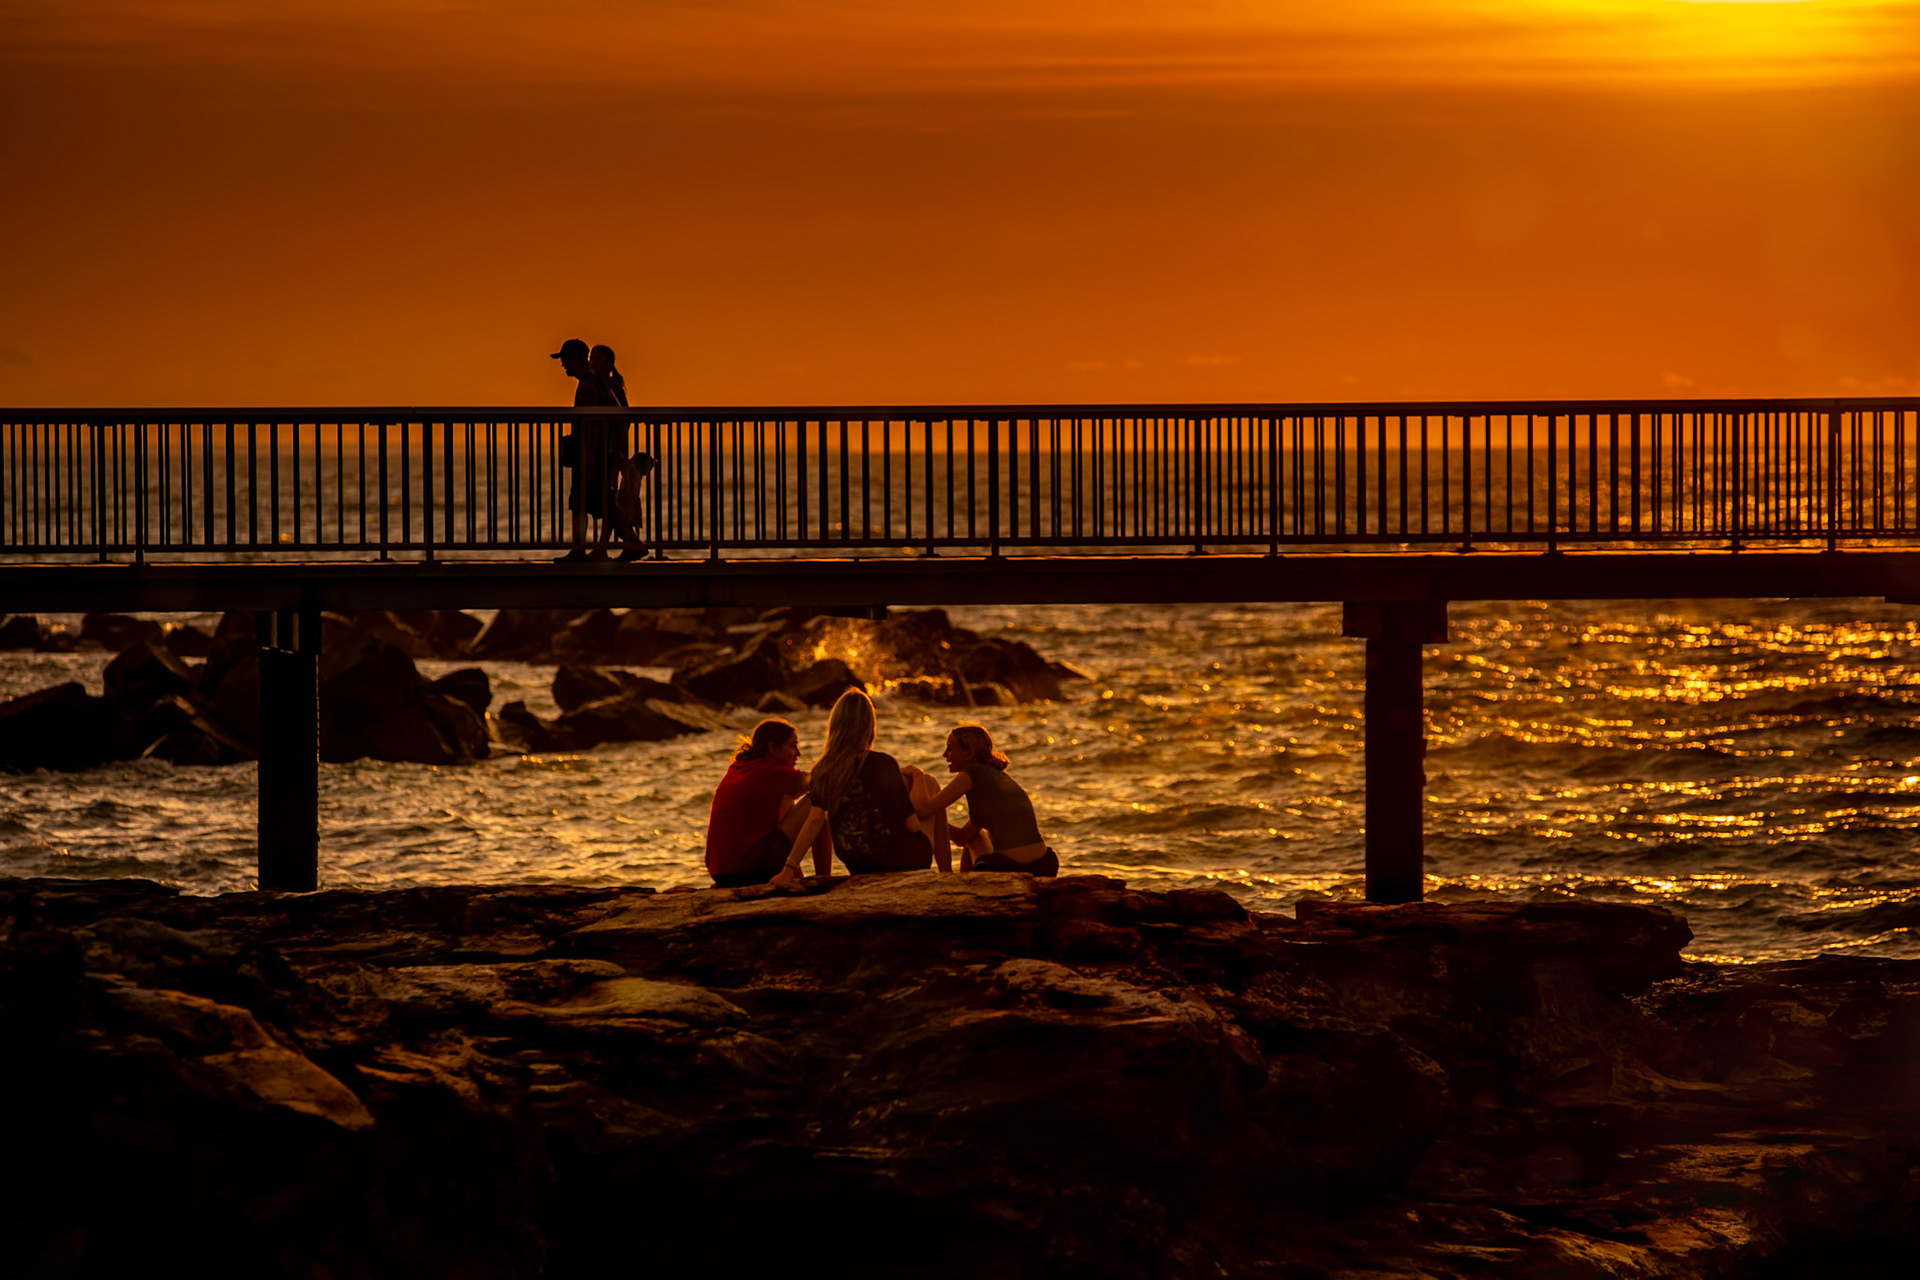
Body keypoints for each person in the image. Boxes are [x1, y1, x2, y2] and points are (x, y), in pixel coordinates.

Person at [769, 689, 948, 890]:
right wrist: (917, 778)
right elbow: (912, 825)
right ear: (868, 725)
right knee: (930, 784)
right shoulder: (883, 763)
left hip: (858, 863)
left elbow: (814, 821)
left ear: (835, 726)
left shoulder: (823, 770)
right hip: (903, 862)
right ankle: (947, 876)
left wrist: (788, 869)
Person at [914, 723, 1058, 876]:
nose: (944, 754)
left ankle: (962, 888)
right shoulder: (995, 776)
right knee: (974, 837)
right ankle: (962, 886)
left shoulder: (972, 772)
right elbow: (963, 838)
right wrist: (939, 820)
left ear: (969, 752)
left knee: (974, 839)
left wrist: (917, 775)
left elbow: (923, 810)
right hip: (1044, 864)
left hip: (1014, 867)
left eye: (950, 748)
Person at [706, 718, 830, 887]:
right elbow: (821, 784)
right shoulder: (771, 771)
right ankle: (824, 877)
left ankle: (802, 876)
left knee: (787, 802)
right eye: (792, 746)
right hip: (749, 870)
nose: (798, 753)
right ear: (772, 748)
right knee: (819, 797)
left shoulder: (740, 768)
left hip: (722, 874)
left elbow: (782, 832)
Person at [550, 337, 622, 563]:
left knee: (582, 502)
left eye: (565, 360)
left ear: (574, 360)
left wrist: (589, 454)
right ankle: (627, 542)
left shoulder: (588, 386)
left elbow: (592, 424)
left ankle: (580, 548)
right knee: (597, 502)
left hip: (592, 453)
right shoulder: (595, 382)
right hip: (598, 452)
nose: (563, 365)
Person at [589, 343, 648, 562]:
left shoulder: (610, 387)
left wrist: (618, 451)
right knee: (609, 499)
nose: (592, 362)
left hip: (612, 450)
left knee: (609, 499)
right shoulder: (604, 385)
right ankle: (616, 544)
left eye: (597, 358)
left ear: (609, 364)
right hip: (609, 449)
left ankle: (619, 544)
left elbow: (621, 420)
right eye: (591, 358)